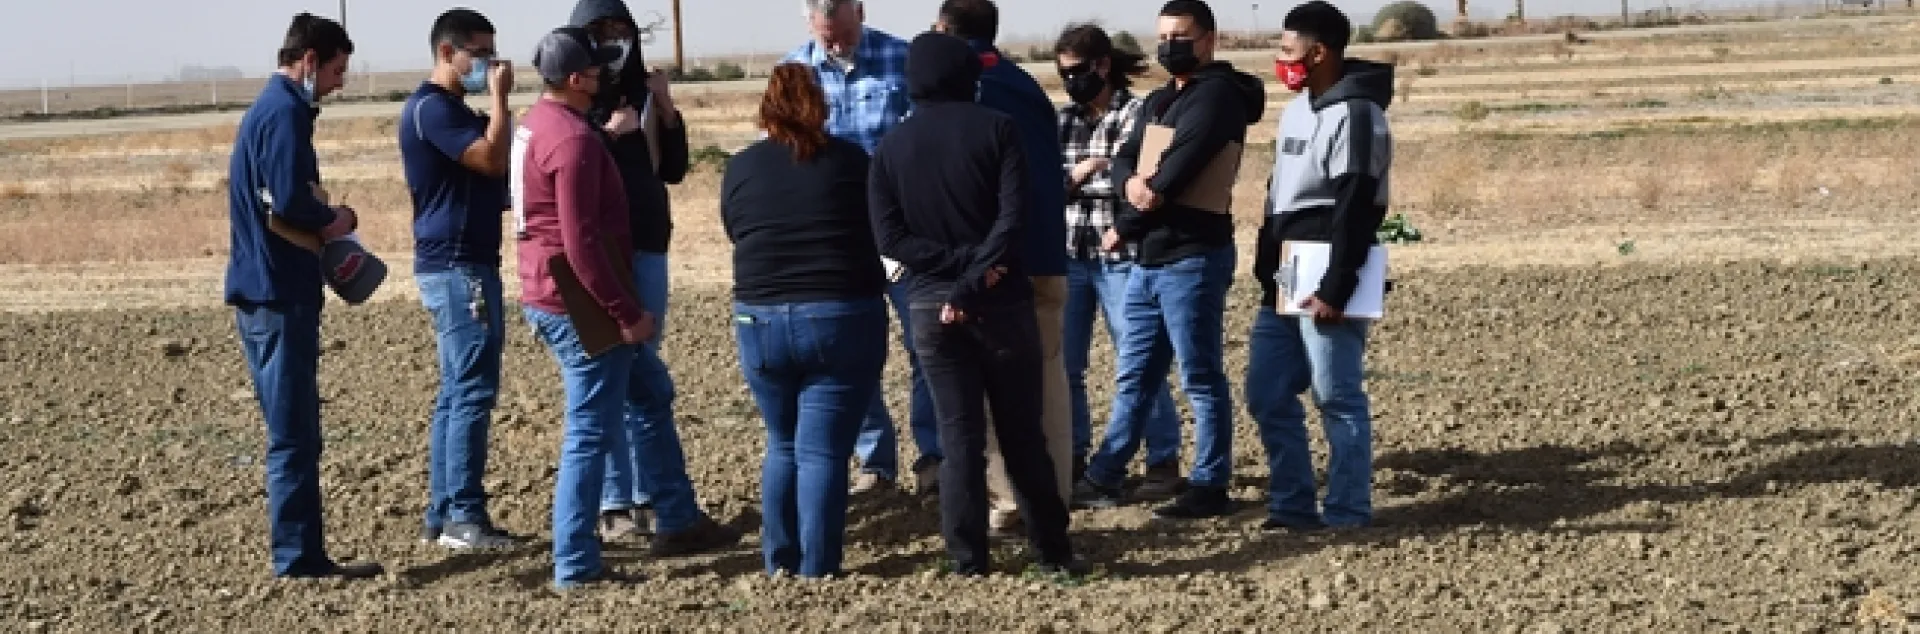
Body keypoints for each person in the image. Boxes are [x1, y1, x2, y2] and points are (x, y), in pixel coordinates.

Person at [868, 31, 1080, 577]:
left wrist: (949, 274)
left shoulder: (891, 147)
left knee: (958, 437)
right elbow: (1013, 220)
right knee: (1021, 433)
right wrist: (975, 274)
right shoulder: (998, 129)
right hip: (1000, 298)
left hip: (928, 308)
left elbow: (890, 238)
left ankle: (967, 557)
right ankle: (1052, 550)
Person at [1076, 0, 1266, 520]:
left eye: (1181, 35)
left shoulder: (1217, 100)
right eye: (1162, 36)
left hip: (1193, 257)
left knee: (1199, 375)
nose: (1169, 46)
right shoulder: (1161, 100)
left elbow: (1172, 180)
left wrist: (1128, 213)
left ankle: (1210, 482)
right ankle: (1104, 475)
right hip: (1149, 260)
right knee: (1134, 374)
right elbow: (1123, 160)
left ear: (1209, 40)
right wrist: (1132, 184)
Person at [224, 12, 379, 580]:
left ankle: (302, 554)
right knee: (294, 433)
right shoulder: (286, 113)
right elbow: (286, 201)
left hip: (265, 291)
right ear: (310, 60)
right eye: (338, 70)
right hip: (278, 292)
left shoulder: (271, 110)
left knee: (292, 429)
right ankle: (299, 559)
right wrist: (335, 218)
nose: (340, 83)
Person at [720, 63, 890, 578]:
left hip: (760, 318)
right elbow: (876, 228)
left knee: (783, 443)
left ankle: (779, 562)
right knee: (823, 452)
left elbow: (735, 228)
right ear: (821, 107)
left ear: (766, 110)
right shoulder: (850, 162)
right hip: (839, 313)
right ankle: (819, 568)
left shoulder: (741, 166)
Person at [783, 0, 942, 497]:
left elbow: (926, 139)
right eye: (827, 33)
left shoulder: (904, 59)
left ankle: (934, 456)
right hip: (838, 242)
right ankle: (874, 462)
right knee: (850, 351)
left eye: (844, 32)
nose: (836, 43)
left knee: (923, 341)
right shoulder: (794, 71)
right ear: (808, 20)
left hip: (897, 238)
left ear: (861, 11)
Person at [513, 26, 652, 589]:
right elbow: (581, 241)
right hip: (578, 302)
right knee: (589, 433)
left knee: (640, 397)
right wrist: (624, 311)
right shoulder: (572, 141)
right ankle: (575, 561)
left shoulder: (534, 124)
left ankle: (666, 508)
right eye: (595, 73)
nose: (602, 81)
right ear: (575, 79)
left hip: (545, 291)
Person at [1248, 0, 1393, 532]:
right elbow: (1278, 197)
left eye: (1288, 50)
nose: (1280, 59)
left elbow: (1356, 206)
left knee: (1337, 397)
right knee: (1266, 394)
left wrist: (1337, 286)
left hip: (1328, 277)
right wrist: (1267, 272)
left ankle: (1348, 511)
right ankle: (1292, 505)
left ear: (1319, 52)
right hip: (1286, 277)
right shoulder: (1297, 109)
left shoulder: (1357, 114)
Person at [929, 0, 1071, 537]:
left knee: (984, 388)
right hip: (1045, 256)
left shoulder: (962, 91)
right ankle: (1052, 499)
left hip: (992, 265)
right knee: (1048, 384)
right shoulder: (1025, 84)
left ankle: (1010, 504)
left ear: (944, 31)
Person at [566, 0, 696, 541]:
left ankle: (648, 493)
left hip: (647, 243)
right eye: (598, 33)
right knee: (610, 374)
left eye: (620, 31)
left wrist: (666, 112)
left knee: (643, 368)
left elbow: (673, 169)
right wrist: (608, 135)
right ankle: (614, 502)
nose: (612, 42)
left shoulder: (643, 91)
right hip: (600, 253)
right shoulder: (575, 99)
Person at [398, 7, 521, 550]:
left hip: (467, 262)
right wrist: (500, 99)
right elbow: (491, 160)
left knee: (457, 392)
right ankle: (462, 517)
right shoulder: (432, 111)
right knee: (471, 391)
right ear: (447, 53)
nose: (490, 64)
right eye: (480, 53)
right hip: (457, 268)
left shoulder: (452, 110)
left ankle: (444, 511)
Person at [1052, 23, 1187, 501]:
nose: (1071, 81)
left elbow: (1143, 181)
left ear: (1102, 65)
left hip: (1122, 256)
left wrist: (1086, 176)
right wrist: (1093, 169)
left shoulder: (1141, 113)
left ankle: (1162, 459)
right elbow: (1052, 185)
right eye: (1063, 73)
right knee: (1066, 365)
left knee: (1140, 362)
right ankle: (1072, 454)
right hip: (1070, 254)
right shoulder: (1062, 120)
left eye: (1078, 71)